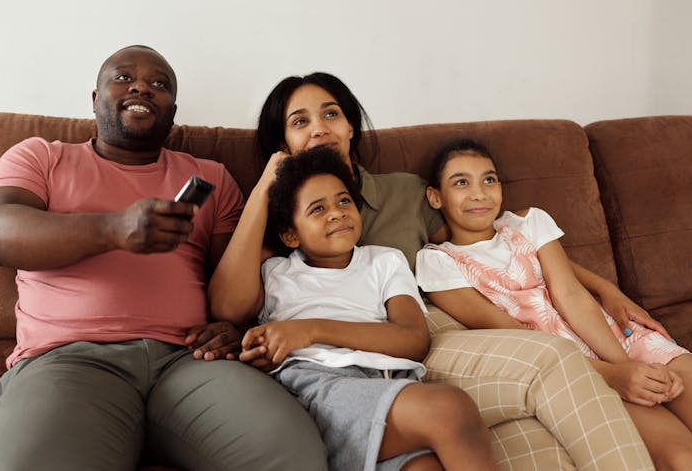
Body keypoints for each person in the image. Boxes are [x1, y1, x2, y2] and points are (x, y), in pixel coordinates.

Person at [209, 72, 655, 469]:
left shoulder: (405, 193)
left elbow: (494, 236)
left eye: (331, 113)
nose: (320, 127)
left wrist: (603, 288)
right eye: (300, 121)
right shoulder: (281, 228)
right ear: (282, 142)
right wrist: (268, 183)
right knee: (533, 420)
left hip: (431, 327)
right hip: (347, 366)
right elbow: (230, 306)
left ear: (350, 126)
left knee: (544, 402)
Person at [0, 45, 326, 471]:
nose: (142, 86)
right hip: (67, 360)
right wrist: (113, 229)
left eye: (159, 85)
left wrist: (235, 327)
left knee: (292, 455)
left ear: (172, 114)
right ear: (94, 98)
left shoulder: (210, 177)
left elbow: (235, 281)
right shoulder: (41, 157)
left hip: (190, 361)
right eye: (123, 78)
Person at [416, 138, 692, 469]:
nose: (479, 193)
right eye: (461, 182)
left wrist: (629, 366)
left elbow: (572, 296)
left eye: (489, 180)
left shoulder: (528, 223)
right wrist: (614, 375)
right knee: (684, 459)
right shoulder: (438, 263)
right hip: (575, 373)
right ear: (436, 196)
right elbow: (515, 337)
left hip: (618, 341)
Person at [238, 145, 496, 470]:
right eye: (317, 209)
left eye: (344, 201)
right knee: (449, 408)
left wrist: (311, 329)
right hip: (318, 387)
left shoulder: (385, 261)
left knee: (424, 467)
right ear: (291, 234)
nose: (336, 213)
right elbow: (229, 309)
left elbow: (414, 340)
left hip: (390, 382)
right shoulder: (275, 271)